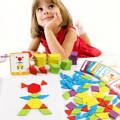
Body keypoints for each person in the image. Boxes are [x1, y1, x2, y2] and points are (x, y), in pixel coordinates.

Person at [28, 0, 102, 59]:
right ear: (35, 18)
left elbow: (61, 58)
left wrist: (48, 30)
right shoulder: (40, 33)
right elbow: (30, 51)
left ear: (61, 11)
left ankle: (81, 29)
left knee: (87, 45)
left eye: (51, 6)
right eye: (40, 9)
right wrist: (36, 55)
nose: (45, 12)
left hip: (78, 50)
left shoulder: (70, 32)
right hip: (56, 52)